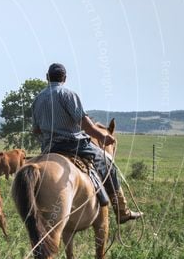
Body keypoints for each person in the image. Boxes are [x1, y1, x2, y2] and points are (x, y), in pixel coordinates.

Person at [32, 63, 142, 223]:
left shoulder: (38, 99)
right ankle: (122, 210)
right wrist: (103, 137)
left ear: (47, 77)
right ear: (65, 78)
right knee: (108, 162)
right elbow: (86, 125)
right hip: (74, 144)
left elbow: (36, 130)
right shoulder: (68, 95)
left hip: (49, 148)